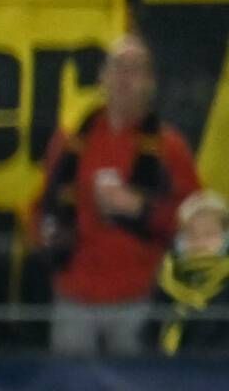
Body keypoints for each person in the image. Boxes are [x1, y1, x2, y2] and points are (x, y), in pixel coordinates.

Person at [35, 37, 202, 352]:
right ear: (102, 77)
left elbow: (197, 222)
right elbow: (41, 206)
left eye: (135, 69)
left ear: (150, 83)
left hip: (139, 296)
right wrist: (46, 234)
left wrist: (141, 208)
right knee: (71, 382)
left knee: (136, 382)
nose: (125, 77)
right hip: (74, 294)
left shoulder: (170, 147)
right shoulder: (69, 142)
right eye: (118, 67)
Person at [148, 190, 229, 354]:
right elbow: (151, 329)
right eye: (192, 234)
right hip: (170, 364)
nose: (200, 242)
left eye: (209, 234)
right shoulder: (168, 274)